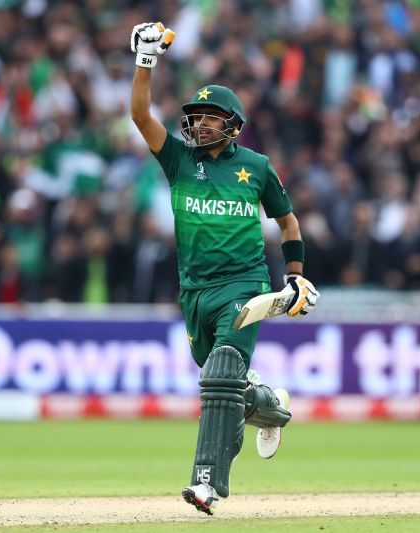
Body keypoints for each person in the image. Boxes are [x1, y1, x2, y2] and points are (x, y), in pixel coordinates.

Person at [129, 22, 320, 514]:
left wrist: (294, 276)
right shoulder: (176, 159)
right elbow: (139, 114)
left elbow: (288, 220)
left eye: (212, 118)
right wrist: (145, 61)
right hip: (194, 291)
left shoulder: (255, 166)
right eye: (196, 116)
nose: (200, 124)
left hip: (246, 284)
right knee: (225, 384)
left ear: (233, 124)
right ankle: (271, 407)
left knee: (219, 376)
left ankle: (207, 483)